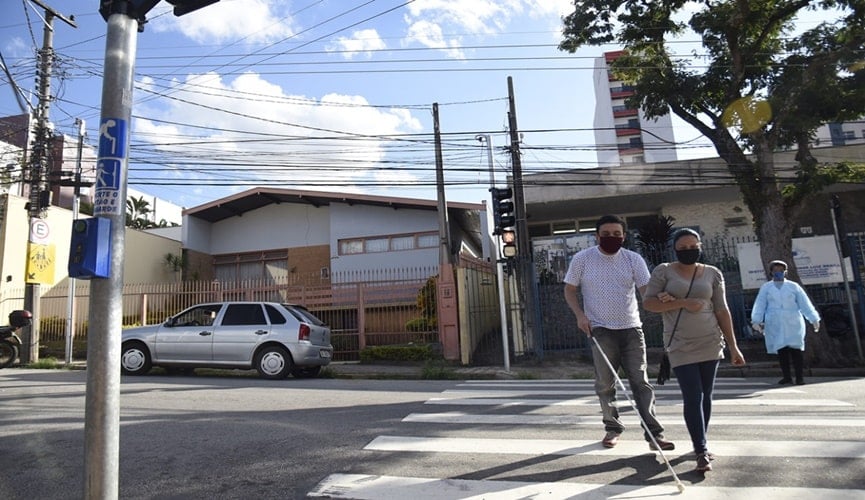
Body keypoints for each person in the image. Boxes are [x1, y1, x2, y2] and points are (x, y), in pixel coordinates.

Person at [563, 214, 674, 452]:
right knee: (605, 383)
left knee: (641, 383)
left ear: (624, 236)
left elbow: (647, 292)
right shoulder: (582, 259)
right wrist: (580, 316)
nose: (611, 238)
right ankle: (612, 428)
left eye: (616, 234)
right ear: (596, 236)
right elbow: (570, 290)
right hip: (600, 329)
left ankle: (655, 434)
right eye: (606, 234)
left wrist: (661, 299)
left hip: (632, 328)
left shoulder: (633, 260)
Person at [643, 228, 746, 473]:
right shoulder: (663, 271)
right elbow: (649, 303)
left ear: (700, 246)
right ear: (675, 249)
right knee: (693, 396)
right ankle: (701, 450)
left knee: (706, 395)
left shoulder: (712, 273)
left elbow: (722, 309)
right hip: (680, 343)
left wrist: (733, 346)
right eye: (684, 247)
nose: (689, 251)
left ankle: (702, 442)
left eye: (693, 246)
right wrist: (682, 302)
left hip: (710, 341)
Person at [750, 260, 820, 386]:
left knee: (796, 350)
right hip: (775, 322)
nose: (778, 273)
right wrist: (756, 320)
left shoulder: (794, 287)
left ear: (785, 272)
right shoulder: (766, 288)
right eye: (775, 270)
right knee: (781, 350)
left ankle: (799, 377)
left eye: (781, 271)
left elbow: (805, 304)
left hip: (793, 320)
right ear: (771, 272)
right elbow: (760, 305)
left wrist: (813, 318)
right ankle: (787, 377)